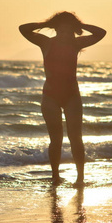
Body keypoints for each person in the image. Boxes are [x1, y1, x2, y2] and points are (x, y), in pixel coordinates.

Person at [19, 11, 106, 186]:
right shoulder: (45, 42)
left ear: (73, 32)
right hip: (50, 96)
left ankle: (80, 178)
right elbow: (23, 29)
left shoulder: (76, 44)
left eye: (69, 31)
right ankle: (55, 177)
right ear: (56, 30)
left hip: (72, 96)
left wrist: (79, 26)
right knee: (56, 139)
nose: (65, 35)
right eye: (61, 31)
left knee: (76, 138)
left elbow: (101, 33)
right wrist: (46, 23)